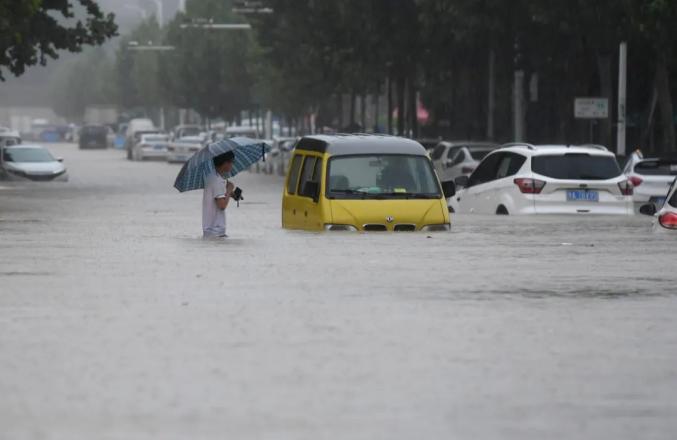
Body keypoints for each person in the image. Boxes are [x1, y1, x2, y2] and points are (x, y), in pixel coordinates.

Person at [203, 151, 235, 239]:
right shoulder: (218, 181)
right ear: (225, 163)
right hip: (216, 232)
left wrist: (230, 193)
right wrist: (228, 190)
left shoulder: (211, 177)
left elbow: (218, 197)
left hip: (210, 231)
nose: (232, 165)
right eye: (232, 162)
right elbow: (222, 205)